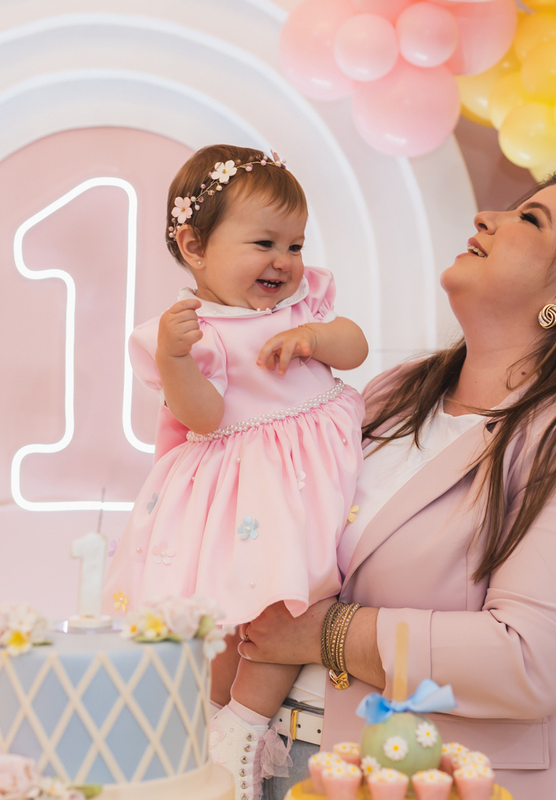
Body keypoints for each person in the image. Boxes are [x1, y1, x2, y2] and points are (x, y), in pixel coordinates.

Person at [234, 173, 556, 800]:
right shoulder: (394, 393)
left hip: (417, 780)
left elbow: (528, 659)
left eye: (531, 219)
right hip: (263, 757)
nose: (486, 218)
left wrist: (328, 633)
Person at [103, 145, 369, 799]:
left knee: (293, 599)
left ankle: (245, 722)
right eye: (263, 243)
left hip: (307, 481)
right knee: (234, 608)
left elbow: (355, 345)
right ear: (194, 246)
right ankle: (221, 722)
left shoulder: (302, 305)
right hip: (249, 490)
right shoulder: (197, 331)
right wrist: (175, 361)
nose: (284, 260)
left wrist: (316, 339)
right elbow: (204, 415)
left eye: (294, 244)